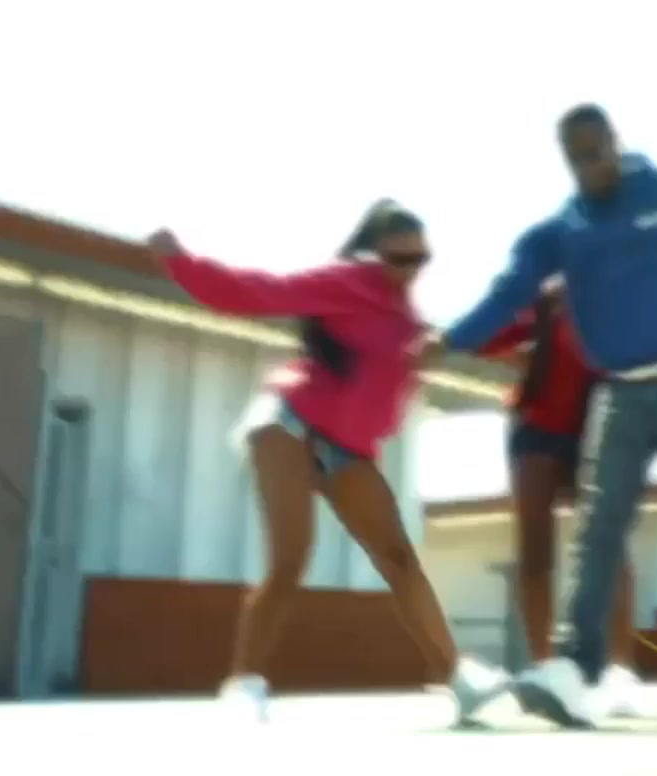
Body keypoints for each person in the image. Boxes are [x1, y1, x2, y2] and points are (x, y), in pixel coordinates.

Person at [430, 104, 657, 728]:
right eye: (578, 159)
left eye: (598, 152)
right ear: (567, 161)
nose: (591, 167)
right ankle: (574, 667)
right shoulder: (562, 230)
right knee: (598, 524)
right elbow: (509, 292)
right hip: (621, 390)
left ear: (615, 143)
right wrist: (448, 340)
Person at [149, 201, 509, 725]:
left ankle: (459, 680)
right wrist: (180, 263)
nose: (410, 269)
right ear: (373, 253)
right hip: (290, 424)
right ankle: (244, 685)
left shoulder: (407, 316)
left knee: (399, 557)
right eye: (399, 258)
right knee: (291, 557)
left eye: (421, 258)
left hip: (349, 449)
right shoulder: (346, 281)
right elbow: (258, 291)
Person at [473, 279, 644, 717]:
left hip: (596, 433)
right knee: (535, 550)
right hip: (536, 431)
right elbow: (481, 336)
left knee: (611, 546)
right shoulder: (542, 305)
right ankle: (544, 666)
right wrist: (521, 348)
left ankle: (621, 672)